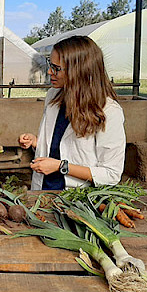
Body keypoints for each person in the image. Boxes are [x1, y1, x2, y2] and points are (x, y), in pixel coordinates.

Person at [18, 35, 125, 190]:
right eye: (50, 64)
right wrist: (35, 142)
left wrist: (61, 166)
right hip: (43, 189)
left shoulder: (108, 111)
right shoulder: (54, 96)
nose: (49, 71)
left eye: (56, 68)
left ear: (79, 71)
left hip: (77, 199)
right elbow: (60, 145)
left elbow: (111, 174)